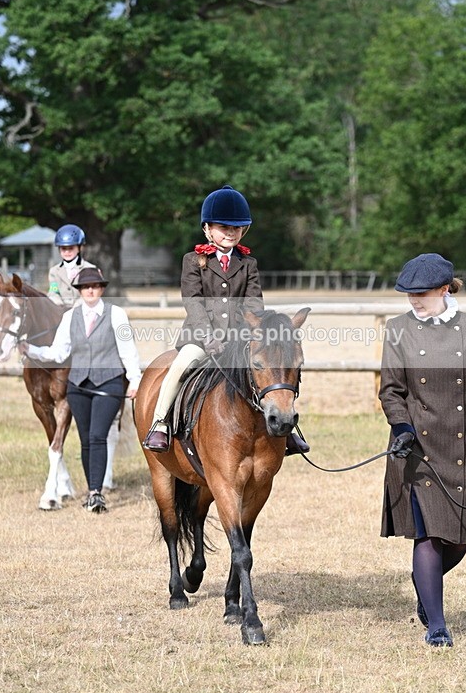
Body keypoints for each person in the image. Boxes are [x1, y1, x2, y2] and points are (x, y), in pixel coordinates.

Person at [379, 253, 466, 648]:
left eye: (421, 293)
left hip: (460, 444)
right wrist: (401, 426)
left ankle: (425, 584)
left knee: (459, 539)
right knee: (428, 536)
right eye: (408, 294)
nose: (413, 300)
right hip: (416, 444)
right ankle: (437, 624)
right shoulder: (398, 329)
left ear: (444, 289)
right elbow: (390, 390)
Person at [143, 185, 309, 457]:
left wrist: (250, 333)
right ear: (207, 229)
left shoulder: (248, 264)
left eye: (236, 228)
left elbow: (254, 304)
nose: (230, 233)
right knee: (180, 366)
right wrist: (208, 337)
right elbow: (193, 301)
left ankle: (287, 429)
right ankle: (160, 423)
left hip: (240, 341)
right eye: (223, 227)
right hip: (199, 338)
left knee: (272, 368)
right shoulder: (193, 261)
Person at [19, 267, 141, 513]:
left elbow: (128, 349)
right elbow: (58, 352)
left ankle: (96, 493)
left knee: (98, 435)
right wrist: (31, 350)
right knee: (85, 440)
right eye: (85, 287)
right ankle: (92, 489)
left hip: (109, 382)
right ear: (80, 290)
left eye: (95, 286)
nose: (90, 290)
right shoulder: (70, 317)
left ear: (102, 288)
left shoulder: (116, 314)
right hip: (78, 385)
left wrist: (134, 378)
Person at [48, 224, 95, 307]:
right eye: (63, 248)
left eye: (71, 248)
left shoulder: (89, 269)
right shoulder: (54, 271)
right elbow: (53, 291)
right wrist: (58, 305)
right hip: (61, 311)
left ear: (79, 248)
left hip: (84, 309)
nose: (67, 252)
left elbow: (90, 293)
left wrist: (76, 307)